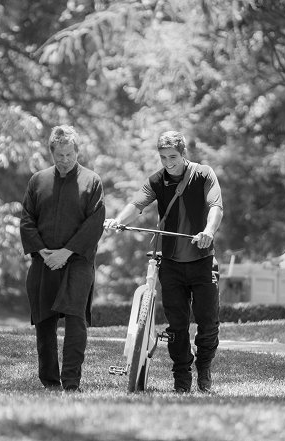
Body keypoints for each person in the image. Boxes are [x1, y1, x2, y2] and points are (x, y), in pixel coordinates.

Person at [104, 130, 223, 393]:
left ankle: (204, 369)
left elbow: (216, 207)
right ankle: (182, 378)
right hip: (170, 264)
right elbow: (137, 204)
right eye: (163, 157)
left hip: (202, 261)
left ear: (183, 154)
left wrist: (208, 232)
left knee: (208, 323)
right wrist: (118, 220)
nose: (168, 162)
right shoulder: (157, 180)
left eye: (173, 157)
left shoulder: (203, 174)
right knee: (177, 326)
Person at [20, 125, 105, 392]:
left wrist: (66, 252)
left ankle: (70, 381)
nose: (65, 160)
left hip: (77, 262)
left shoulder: (92, 182)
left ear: (77, 151)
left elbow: (95, 223)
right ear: (52, 153)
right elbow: (26, 219)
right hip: (43, 260)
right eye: (60, 155)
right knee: (44, 321)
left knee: (75, 320)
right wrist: (43, 252)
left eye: (69, 154)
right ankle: (49, 380)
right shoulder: (37, 181)